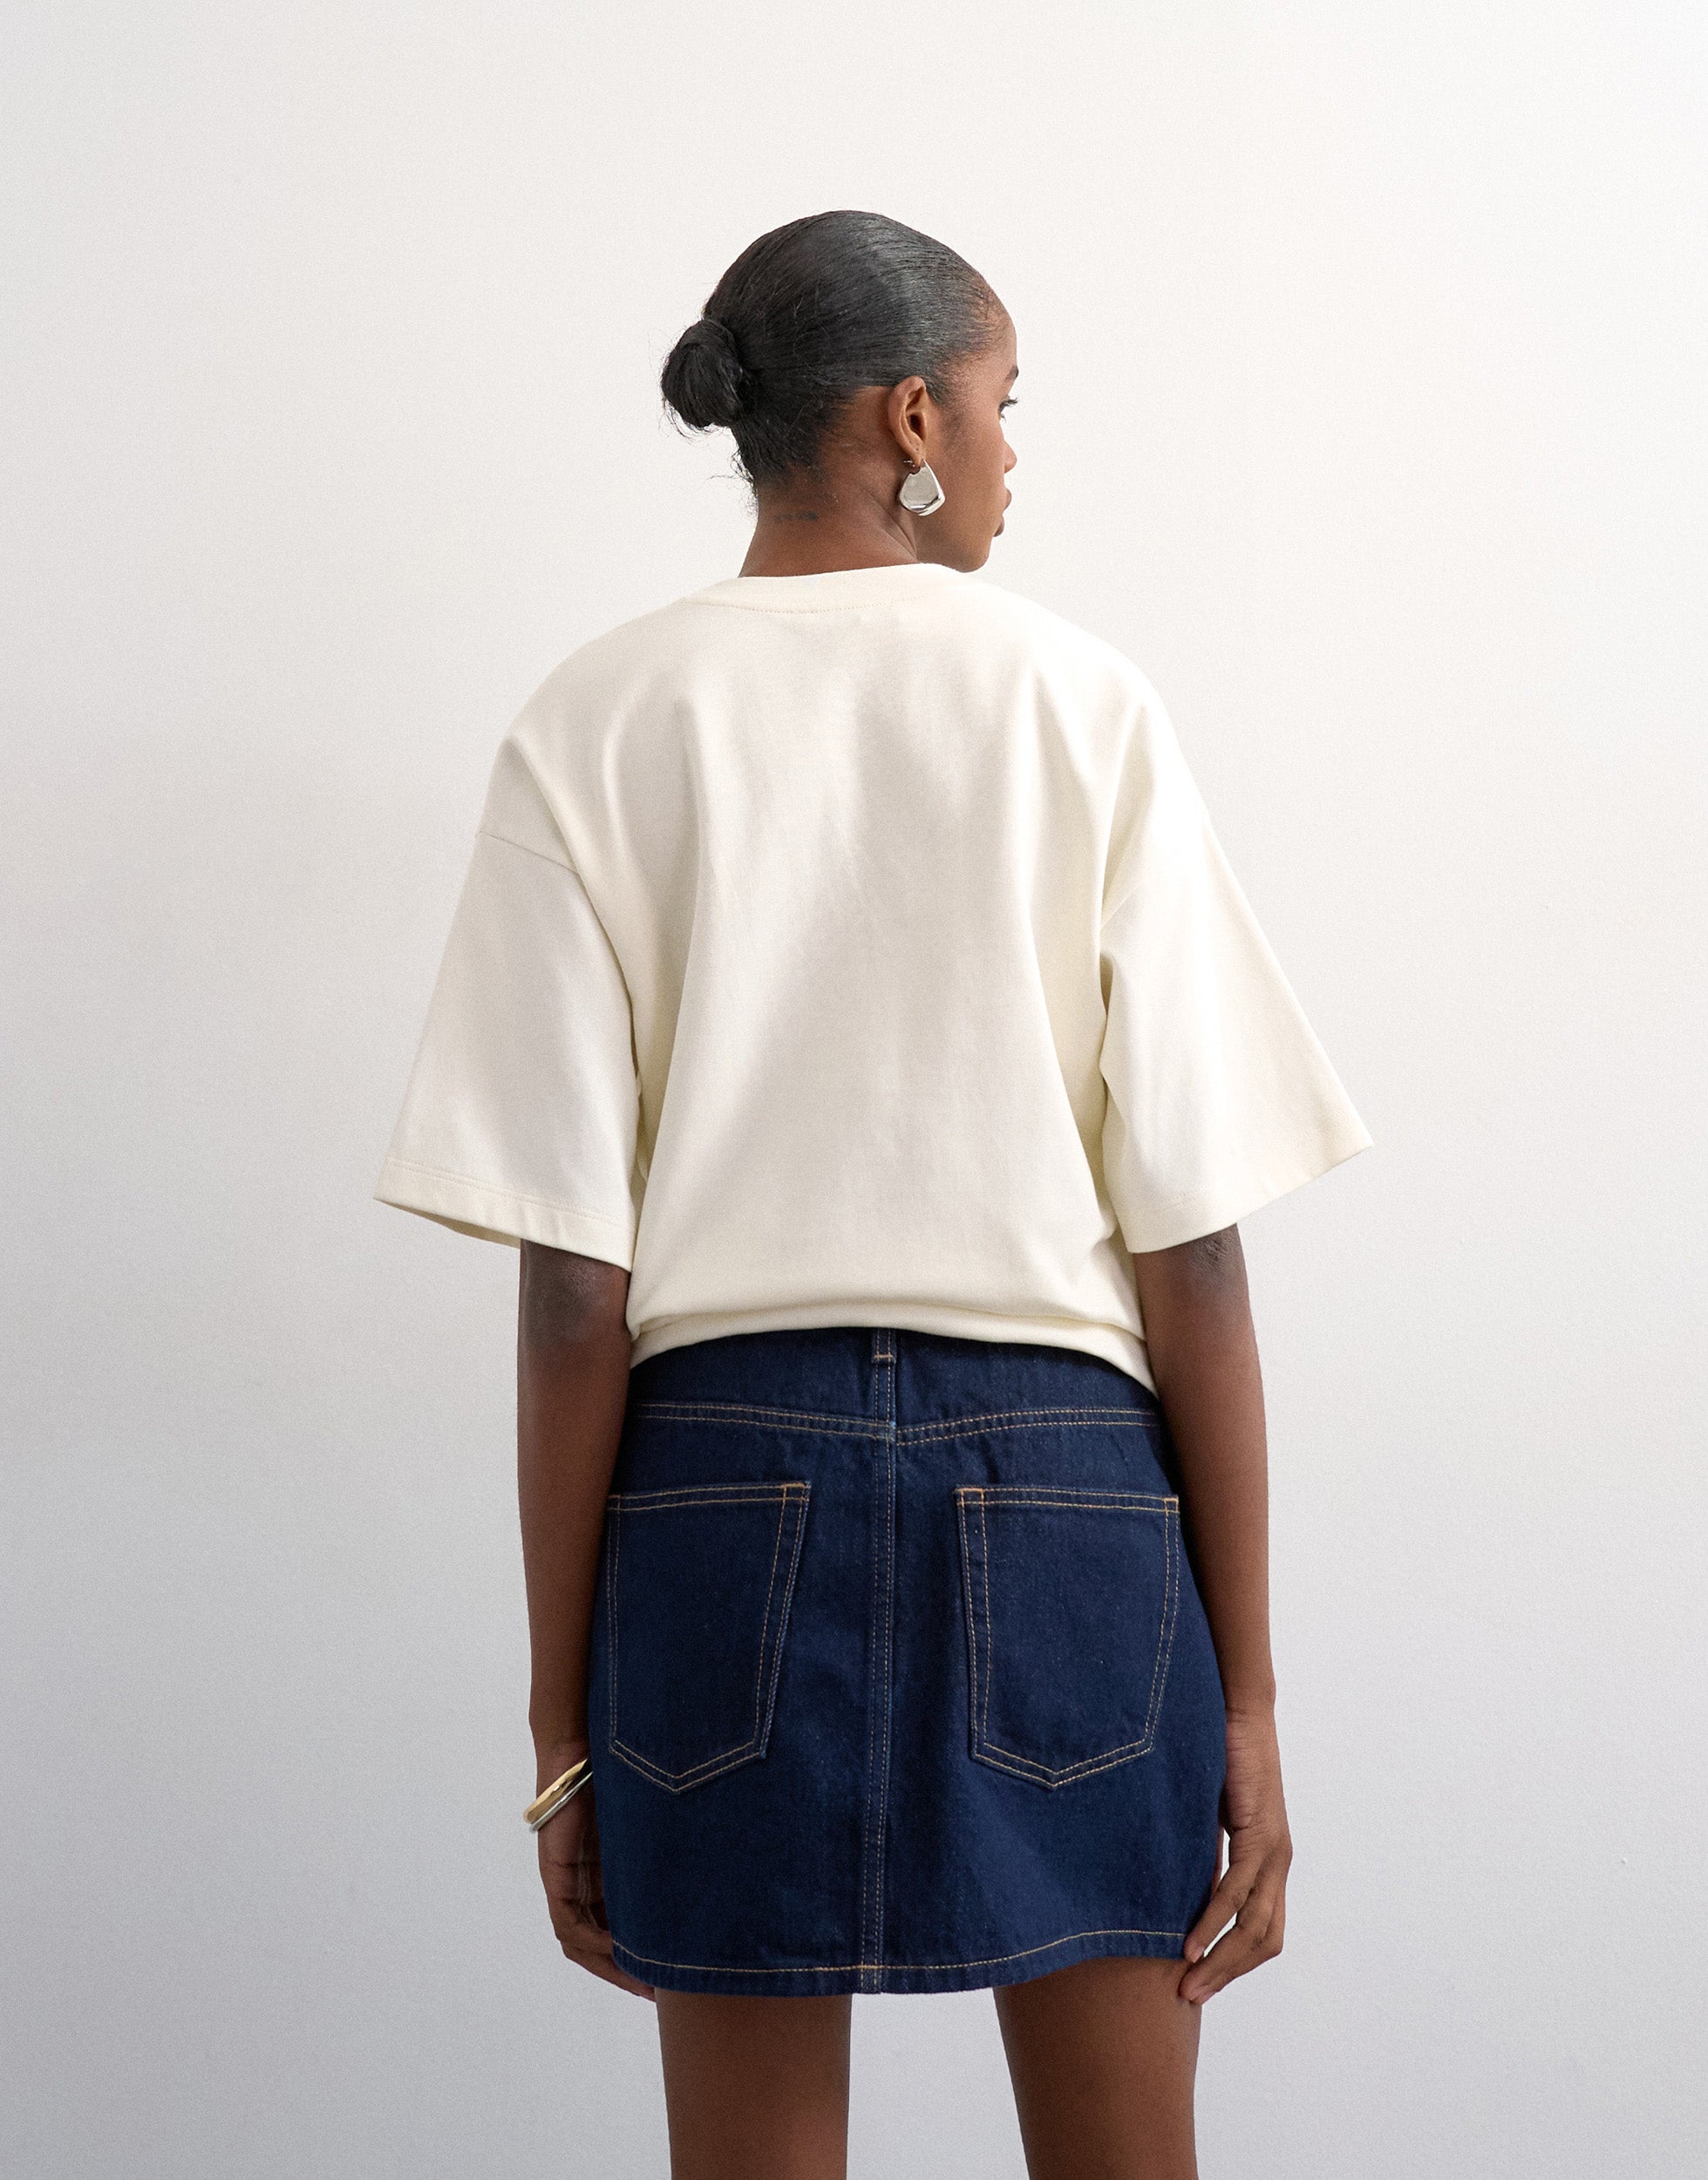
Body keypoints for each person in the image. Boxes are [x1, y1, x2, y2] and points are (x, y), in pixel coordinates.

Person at [374, 208, 1371, 2180]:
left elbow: (572, 1293)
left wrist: (560, 1728)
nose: (1010, 451)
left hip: (713, 1488)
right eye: (1003, 403)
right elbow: (1193, 1259)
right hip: (1068, 1489)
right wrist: (1249, 1703)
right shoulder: (1078, 701)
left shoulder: (597, 717)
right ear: (913, 416)